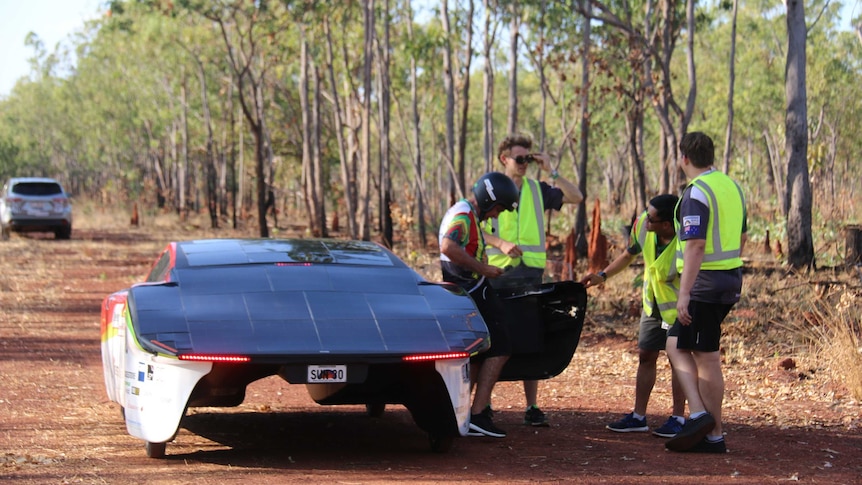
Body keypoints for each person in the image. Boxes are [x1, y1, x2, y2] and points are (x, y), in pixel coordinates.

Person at [482, 133, 584, 427]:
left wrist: (551, 170)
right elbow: (471, 224)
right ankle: (484, 404)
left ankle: (532, 406)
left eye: (528, 158)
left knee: (531, 335)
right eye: (519, 158)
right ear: (504, 159)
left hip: (532, 272)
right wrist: (499, 243)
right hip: (498, 272)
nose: (524, 163)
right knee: (494, 340)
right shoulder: (489, 189)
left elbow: (577, 197)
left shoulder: (538, 189)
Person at [664, 131, 747, 454]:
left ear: (684, 158)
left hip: (705, 284)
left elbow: (695, 245)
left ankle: (709, 428)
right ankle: (703, 420)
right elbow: (741, 237)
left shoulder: (697, 193)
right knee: (680, 344)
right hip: (729, 277)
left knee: (706, 356)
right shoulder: (731, 187)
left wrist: (684, 294)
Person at [581, 194, 687, 438]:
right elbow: (628, 255)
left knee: (678, 361)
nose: (644, 220)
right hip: (653, 304)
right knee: (646, 355)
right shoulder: (643, 226)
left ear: (667, 225)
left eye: (651, 218)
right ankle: (638, 417)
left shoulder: (685, 238)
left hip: (679, 308)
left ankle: (678, 418)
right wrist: (602, 276)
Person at [439, 171, 520, 438]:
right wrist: (483, 268)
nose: (497, 215)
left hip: (471, 288)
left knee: (480, 352)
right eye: (498, 209)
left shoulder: (467, 212)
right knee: (502, 346)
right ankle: (478, 415)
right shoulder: (463, 215)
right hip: (471, 288)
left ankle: (466, 412)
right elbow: (448, 246)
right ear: (489, 202)